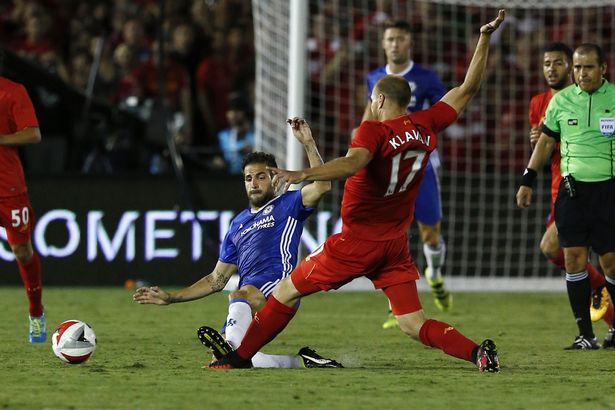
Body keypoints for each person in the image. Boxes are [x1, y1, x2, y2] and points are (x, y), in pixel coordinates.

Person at [206, 10, 506, 372]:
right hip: (394, 245)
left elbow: (351, 164)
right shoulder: (428, 124)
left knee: (286, 290)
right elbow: (467, 88)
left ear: (378, 100)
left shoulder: (372, 133)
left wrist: (301, 172)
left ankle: (237, 359)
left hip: (355, 243)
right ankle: (478, 353)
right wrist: (485, 38)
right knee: (413, 323)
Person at [133, 119, 342, 368]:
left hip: (278, 290)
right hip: (245, 304)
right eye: (248, 178)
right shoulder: (237, 224)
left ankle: (229, 347)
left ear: (275, 178)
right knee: (230, 361)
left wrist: (308, 143)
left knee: (238, 299)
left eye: (261, 176)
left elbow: (323, 185)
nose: (253, 182)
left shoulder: (289, 203)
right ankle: (301, 361)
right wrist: (172, 298)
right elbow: (216, 279)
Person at [517, 43, 615, 349]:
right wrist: (527, 179)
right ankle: (585, 335)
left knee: (611, 262)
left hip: (608, 190)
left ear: (603, 69)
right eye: (577, 67)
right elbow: (545, 144)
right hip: (572, 191)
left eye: (588, 67)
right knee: (573, 258)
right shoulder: (560, 102)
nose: (582, 73)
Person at [363, 19, 451, 326]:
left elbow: (440, 113)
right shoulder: (374, 77)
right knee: (391, 231)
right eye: (390, 39)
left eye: (400, 39)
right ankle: (394, 304)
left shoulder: (426, 78)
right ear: (384, 43)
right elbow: (369, 116)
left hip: (420, 164)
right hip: (386, 165)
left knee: (430, 231)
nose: (395, 44)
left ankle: (435, 274)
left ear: (409, 42)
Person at [0, 50, 46, 343]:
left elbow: (33, 134)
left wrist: (1, 139)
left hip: (8, 188)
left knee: (23, 252)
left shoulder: (12, 92)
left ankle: (36, 313)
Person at [215, 93, 255, 174]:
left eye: (237, 110)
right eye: (229, 110)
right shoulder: (222, 136)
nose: (232, 114)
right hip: (231, 181)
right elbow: (217, 159)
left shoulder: (256, 135)